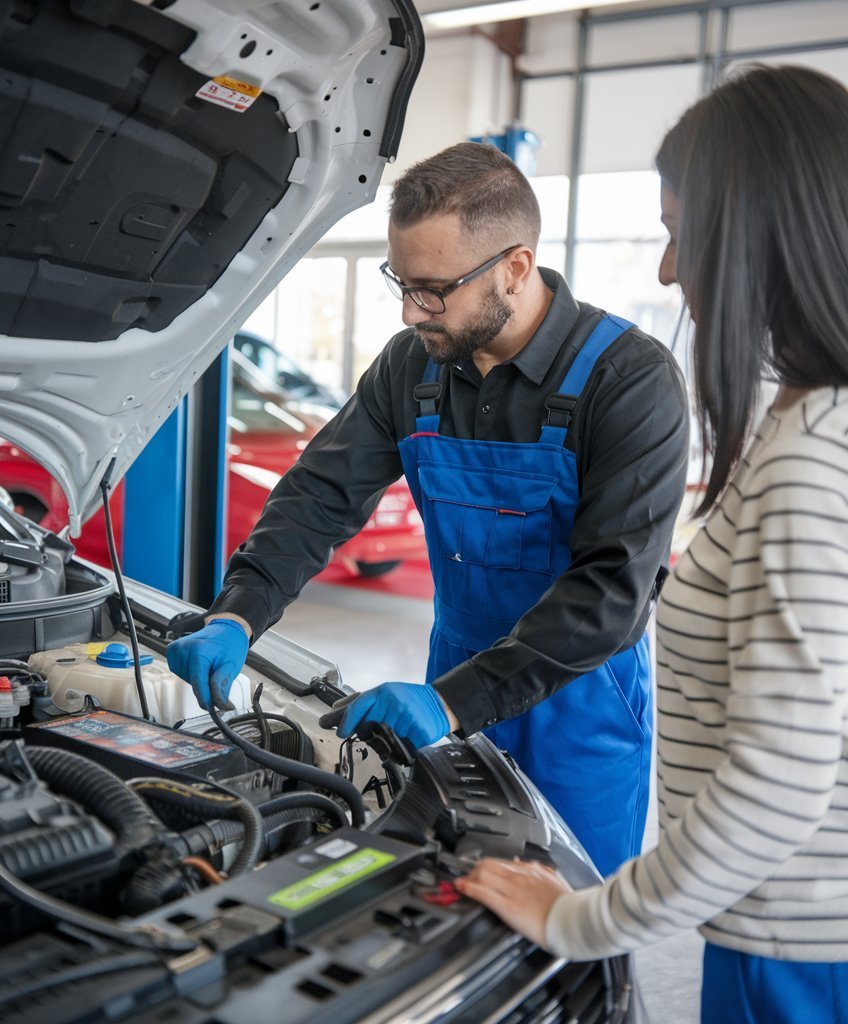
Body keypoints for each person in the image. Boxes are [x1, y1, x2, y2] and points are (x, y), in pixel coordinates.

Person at [167, 141, 689, 877]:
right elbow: (320, 494)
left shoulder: (628, 380)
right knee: (448, 898)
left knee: (573, 919)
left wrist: (452, 702)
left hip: (581, 706)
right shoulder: (411, 367)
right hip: (449, 677)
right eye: (402, 284)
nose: (414, 311)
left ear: (514, 267)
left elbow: (612, 590)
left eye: (435, 289)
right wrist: (238, 610)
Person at [453, 64, 848, 1024]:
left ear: (758, 232)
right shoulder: (820, 425)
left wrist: (584, 917)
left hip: (796, 949)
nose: (670, 270)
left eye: (680, 232)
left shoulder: (808, 460)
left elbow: (775, 783)